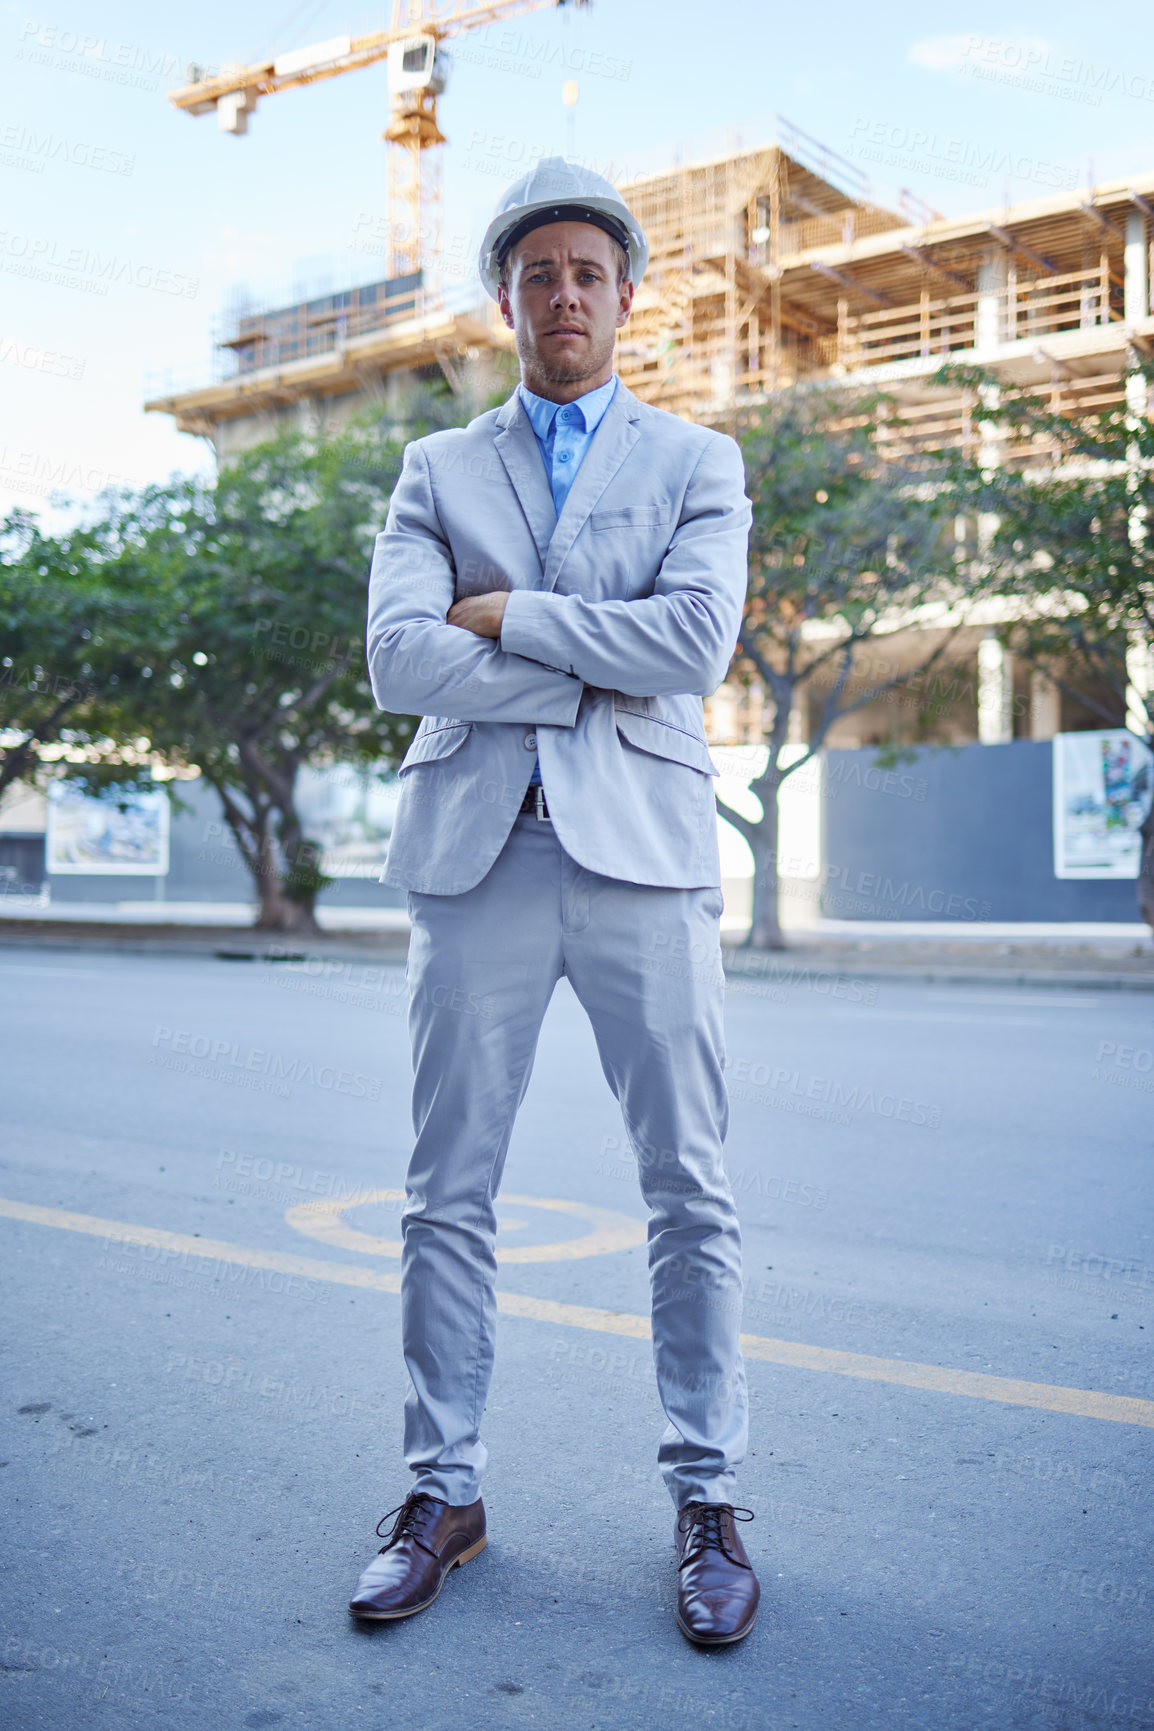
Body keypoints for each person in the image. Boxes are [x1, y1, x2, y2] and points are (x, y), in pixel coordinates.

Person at [350, 158, 759, 1646]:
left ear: (627, 294)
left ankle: (707, 1498)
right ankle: (439, 1492)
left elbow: (695, 642)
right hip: (474, 855)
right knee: (443, 1195)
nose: (566, 293)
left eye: (591, 271)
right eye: (540, 274)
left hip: (644, 856)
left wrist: (510, 614)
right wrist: (605, 647)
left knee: (687, 1190)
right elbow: (400, 661)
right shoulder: (435, 469)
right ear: (506, 300)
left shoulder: (697, 459)